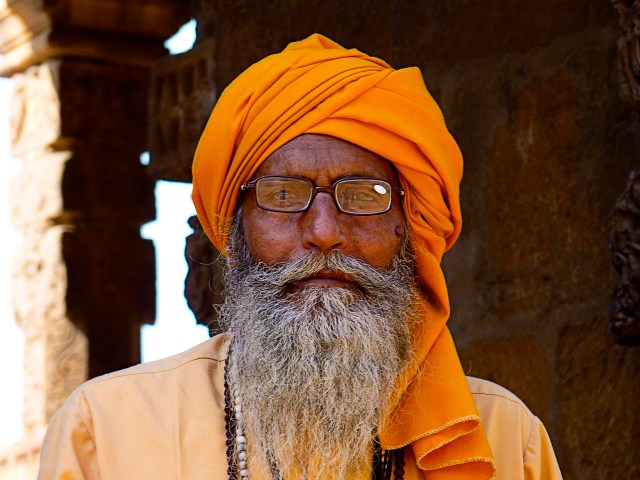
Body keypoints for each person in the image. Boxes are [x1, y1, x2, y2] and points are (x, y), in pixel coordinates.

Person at [38, 34, 563, 480]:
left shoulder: (506, 439)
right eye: (283, 195)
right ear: (234, 226)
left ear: (408, 226)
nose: (324, 233)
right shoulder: (107, 431)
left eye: (363, 195)